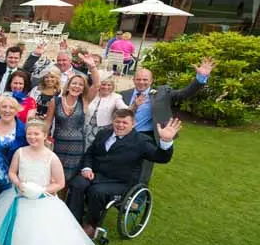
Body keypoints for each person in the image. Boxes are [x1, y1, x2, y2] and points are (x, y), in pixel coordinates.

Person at [67, 111, 181, 235]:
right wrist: (87, 168)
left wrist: (166, 141)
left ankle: (92, 224)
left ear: (133, 124)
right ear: (113, 122)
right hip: (95, 174)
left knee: (97, 191)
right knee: (77, 183)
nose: (120, 125)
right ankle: (72, 219)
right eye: (117, 122)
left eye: (125, 122)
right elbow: (90, 153)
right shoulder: (103, 134)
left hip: (120, 181)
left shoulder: (141, 141)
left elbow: (161, 158)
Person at [119, 58, 213, 181]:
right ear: (133, 80)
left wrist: (200, 78)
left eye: (145, 79)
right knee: (120, 164)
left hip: (146, 136)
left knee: (143, 170)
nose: (141, 82)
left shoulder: (162, 94)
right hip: (123, 133)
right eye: (138, 79)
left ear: (152, 81)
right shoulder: (123, 94)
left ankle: (139, 196)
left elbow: (184, 93)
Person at [44, 54, 101, 182]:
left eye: (80, 85)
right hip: (58, 145)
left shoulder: (84, 101)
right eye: (74, 83)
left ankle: (64, 202)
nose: (77, 87)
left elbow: (97, 85)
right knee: (53, 177)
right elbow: (47, 122)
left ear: (83, 89)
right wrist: (44, 137)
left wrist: (92, 67)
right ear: (68, 85)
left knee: (68, 180)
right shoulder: (56, 101)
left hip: (76, 147)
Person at [84, 73, 130, 148]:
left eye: (109, 85)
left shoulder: (116, 97)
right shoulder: (92, 94)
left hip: (103, 129)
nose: (106, 87)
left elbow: (125, 109)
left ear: (113, 87)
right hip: (86, 127)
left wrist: (135, 105)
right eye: (103, 84)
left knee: (98, 149)